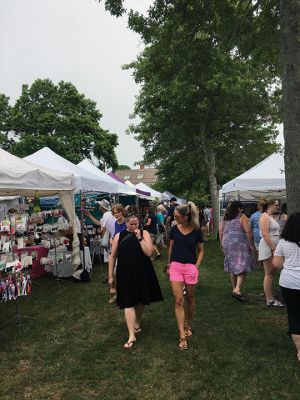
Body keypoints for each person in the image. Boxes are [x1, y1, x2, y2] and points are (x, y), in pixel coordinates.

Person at [108, 213, 163, 349]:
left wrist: (139, 237)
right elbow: (113, 256)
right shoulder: (118, 236)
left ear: (139, 224)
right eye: (131, 224)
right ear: (126, 223)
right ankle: (131, 334)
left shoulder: (144, 234)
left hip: (142, 272)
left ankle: (137, 321)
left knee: (141, 300)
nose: (133, 227)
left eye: (136, 224)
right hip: (124, 273)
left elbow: (149, 252)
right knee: (128, 302)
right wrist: (110, 275)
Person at [167, 202, 204, 350]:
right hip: (176, 266)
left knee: (190, 298)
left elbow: (200, 250)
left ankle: (188, 324)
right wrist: (169, 264)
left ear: (186, 216)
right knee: (178, 300)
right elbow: (171, 247)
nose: (174, 218)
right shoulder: (174, 229)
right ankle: (182, 335)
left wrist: (196, 266)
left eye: (177, 217)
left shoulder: (196, 231)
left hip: (190, 267)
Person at [273, 213, 300, 361]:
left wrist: (289, 266)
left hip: (289, 283)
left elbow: (276, 264)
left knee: (294, 315)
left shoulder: (283, 243)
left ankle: (299, 350)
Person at [219, 201, 255, 303]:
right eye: (241, 208)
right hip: (240, 244)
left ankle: (234, 288)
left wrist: (221, 245)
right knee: (243, 265)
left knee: (232, 266)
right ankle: (237, 289)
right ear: (239, 208)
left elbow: (221, 232)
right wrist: (251, 245)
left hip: (227, 244)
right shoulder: (242, 217)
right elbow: (248, 231)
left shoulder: (225, 218)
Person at [84, 199, 116, 289]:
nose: (99, 206)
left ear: (102, 207)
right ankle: (111, 276)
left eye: (100, 205)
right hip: (114, 238)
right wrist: (89, 215)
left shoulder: (106, 215)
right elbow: (99, 223)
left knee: (110, 259)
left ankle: (111, 278)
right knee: (111, 259)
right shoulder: (109, 214)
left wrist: (103, 238)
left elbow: (103, 228)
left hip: (109, 239)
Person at [258, 198, 284, 307]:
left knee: (271, 273)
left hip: (273, 245)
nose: (278, 207)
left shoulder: (269, 216)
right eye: (276, 205)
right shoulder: (264, 216)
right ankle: (269, 299)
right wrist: (273, 248)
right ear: (270, 205)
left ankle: (270, 295)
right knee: (268, 273)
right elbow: (265, 234)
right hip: (268, 246)